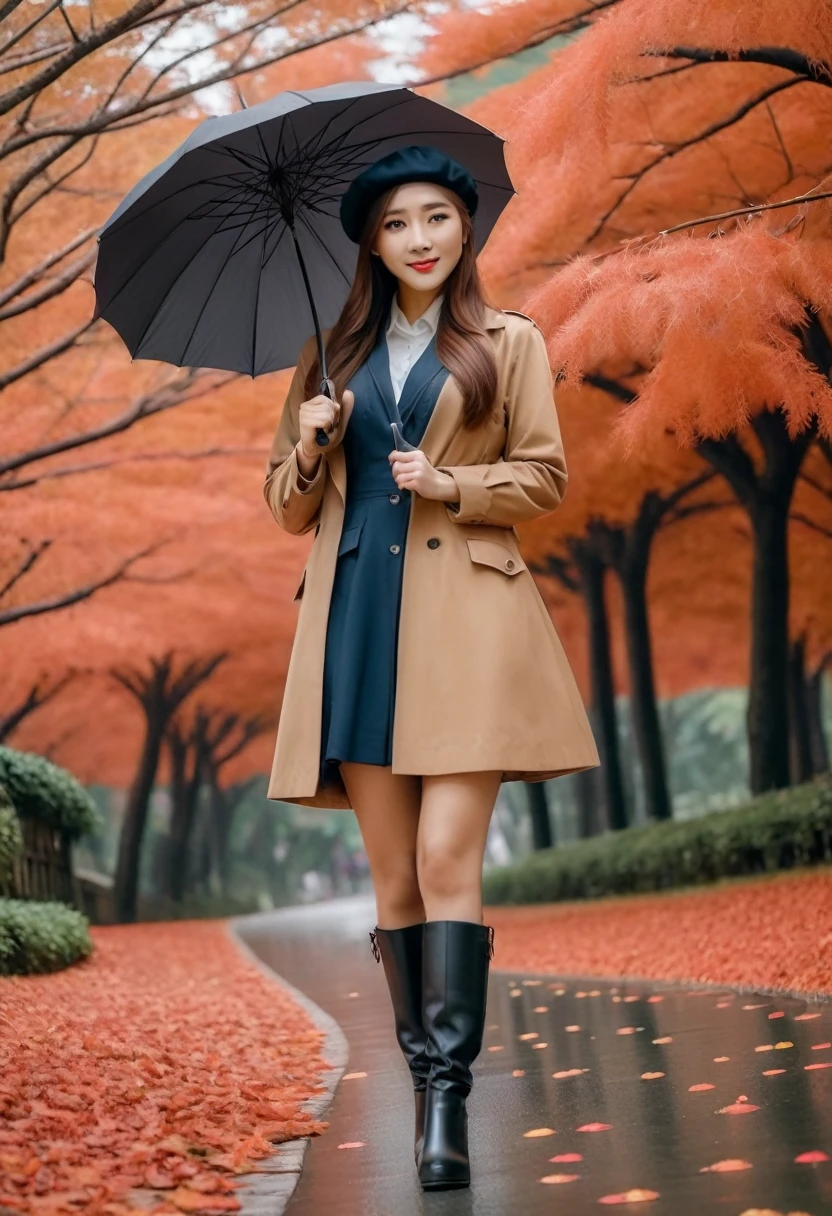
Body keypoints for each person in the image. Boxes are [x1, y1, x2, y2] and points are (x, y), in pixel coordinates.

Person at [262, 145, 600, 1190]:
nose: (419, 237)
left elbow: (544, 477)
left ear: (466, 229)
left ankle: (447, 1102)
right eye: (398, 222)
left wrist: (451, 482)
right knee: (397, 876)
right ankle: (423, 1085)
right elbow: (284, 503)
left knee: (452, 858)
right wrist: (314, 443)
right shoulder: (326, 355)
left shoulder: (511, 342)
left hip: (467, 621)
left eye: (438, 217)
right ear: (369, 239)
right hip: (359, 615)